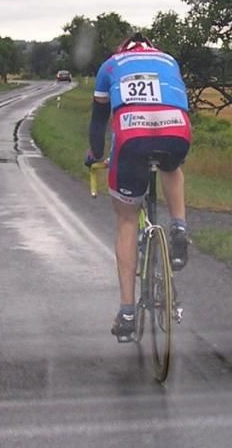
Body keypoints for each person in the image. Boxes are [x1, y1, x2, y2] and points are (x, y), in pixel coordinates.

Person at [84, 32, 192, 342]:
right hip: (177, 130)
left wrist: (95, 155)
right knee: (172, 165)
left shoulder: (110, 65)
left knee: (127, 220)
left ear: (123, 49)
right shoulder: (169, 60)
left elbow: (98, 122)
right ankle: (179, 229)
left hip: (132, 138)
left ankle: (128, 312)